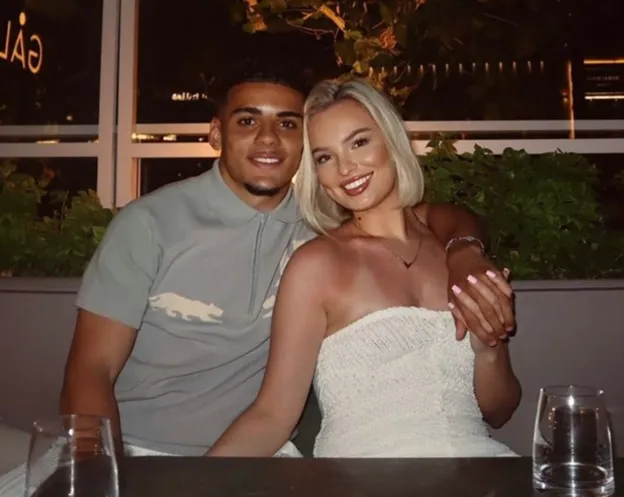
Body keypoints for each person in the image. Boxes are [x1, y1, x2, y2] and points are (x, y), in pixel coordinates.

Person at [0, 61, 514, 496]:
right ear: (216, 133)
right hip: (135, 451)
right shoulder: (150, 224)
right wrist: (103, 473)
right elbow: (89, 371)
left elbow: (434, 217)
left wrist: (466, 249)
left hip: (259, 458)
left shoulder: (316, 224)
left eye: (287, 124)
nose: (268, 139)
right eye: (248, 120)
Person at [207, 78, 521, 458]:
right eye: (325, 157)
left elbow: (499, 411)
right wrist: (197, 480)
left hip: (477, 468)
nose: (345, 168)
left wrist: (488, 349)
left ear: (391, 139)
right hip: (362, 475)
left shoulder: (451, 250)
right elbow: (272, 416)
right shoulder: (315, 265)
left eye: (359, 142)